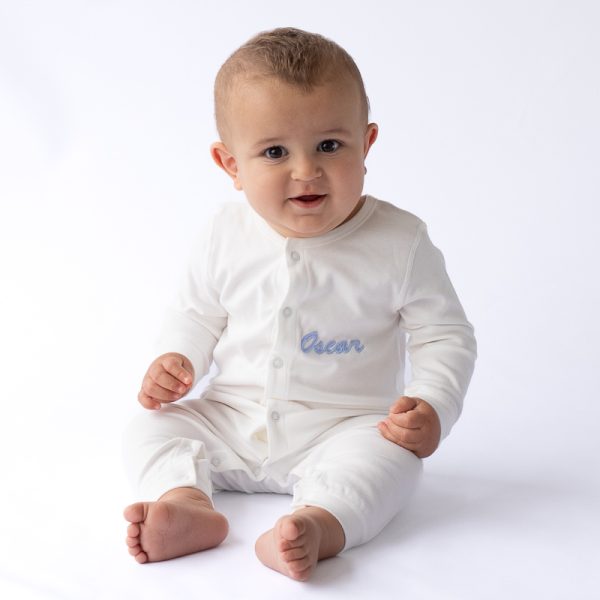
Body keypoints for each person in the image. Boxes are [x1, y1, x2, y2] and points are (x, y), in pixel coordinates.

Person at [123, 26, 476, 581]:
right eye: (274, 152)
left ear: (368, 142)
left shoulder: (400, 242)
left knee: (395, 465)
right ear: (230, 165)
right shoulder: (223, 233)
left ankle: (319, 522)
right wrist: (177, 360)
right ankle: (187, 502)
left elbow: (444, 334)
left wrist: (432, 404)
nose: (306, 170)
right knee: (153, 426)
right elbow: (195, 313)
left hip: (347, 428)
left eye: (330, 146)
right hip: (232, 422)